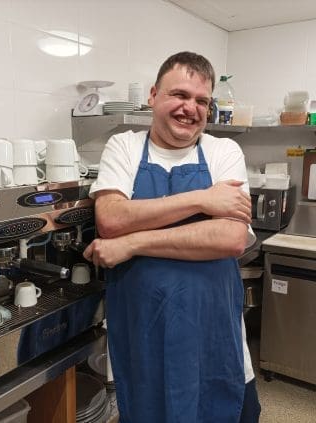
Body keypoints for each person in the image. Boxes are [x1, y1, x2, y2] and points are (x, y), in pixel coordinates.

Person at [83, 51, 261, 423]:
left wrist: (133, 242)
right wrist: (202, 199)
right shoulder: (125, 147)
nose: (190, 108)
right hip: (143, 337)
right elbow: (112, 220)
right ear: (153, 95)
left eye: (201, 101)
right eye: (179, 95)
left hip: (213, 337)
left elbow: (229, 238)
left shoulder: (223, 150)